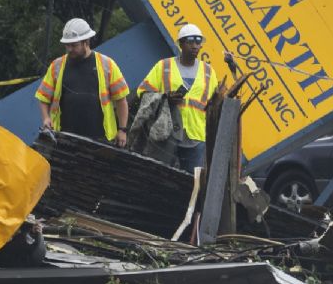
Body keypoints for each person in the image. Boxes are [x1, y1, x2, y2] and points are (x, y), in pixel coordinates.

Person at [137, 23, 226, 171]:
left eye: (198, 41)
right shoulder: (163, 66)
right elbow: (143, 94)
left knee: (193, 182)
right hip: (166, 132)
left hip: (196, 136)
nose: (195, 46)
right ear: (181, 44)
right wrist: (165, 98)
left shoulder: (208, 72)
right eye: (190, 41)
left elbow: (214, 105)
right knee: (158, 174)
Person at [36, 18, 130, 147]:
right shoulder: (57, 66)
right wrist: (46, 118)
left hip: (101, 139)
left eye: (74, 45)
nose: (69, 49)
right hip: (64, 138)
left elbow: (121, 100)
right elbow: (43, 97)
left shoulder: (106, 64)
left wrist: (122, 130)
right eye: (67, 45)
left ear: (86, 42)